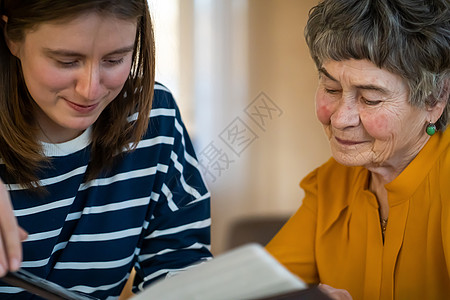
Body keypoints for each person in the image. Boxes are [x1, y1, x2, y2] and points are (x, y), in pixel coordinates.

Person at [0, 0, 212, 298]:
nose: (90, 90)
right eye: (66, 61)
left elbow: (179, 263)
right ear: (11, 37)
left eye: (114, 60)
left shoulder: (154, 118)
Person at [265, 0, 450, 299]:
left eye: (371, 99)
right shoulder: (330, 184)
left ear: (434, 99)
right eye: (331, 89)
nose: (340, 118)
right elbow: (256, 287)